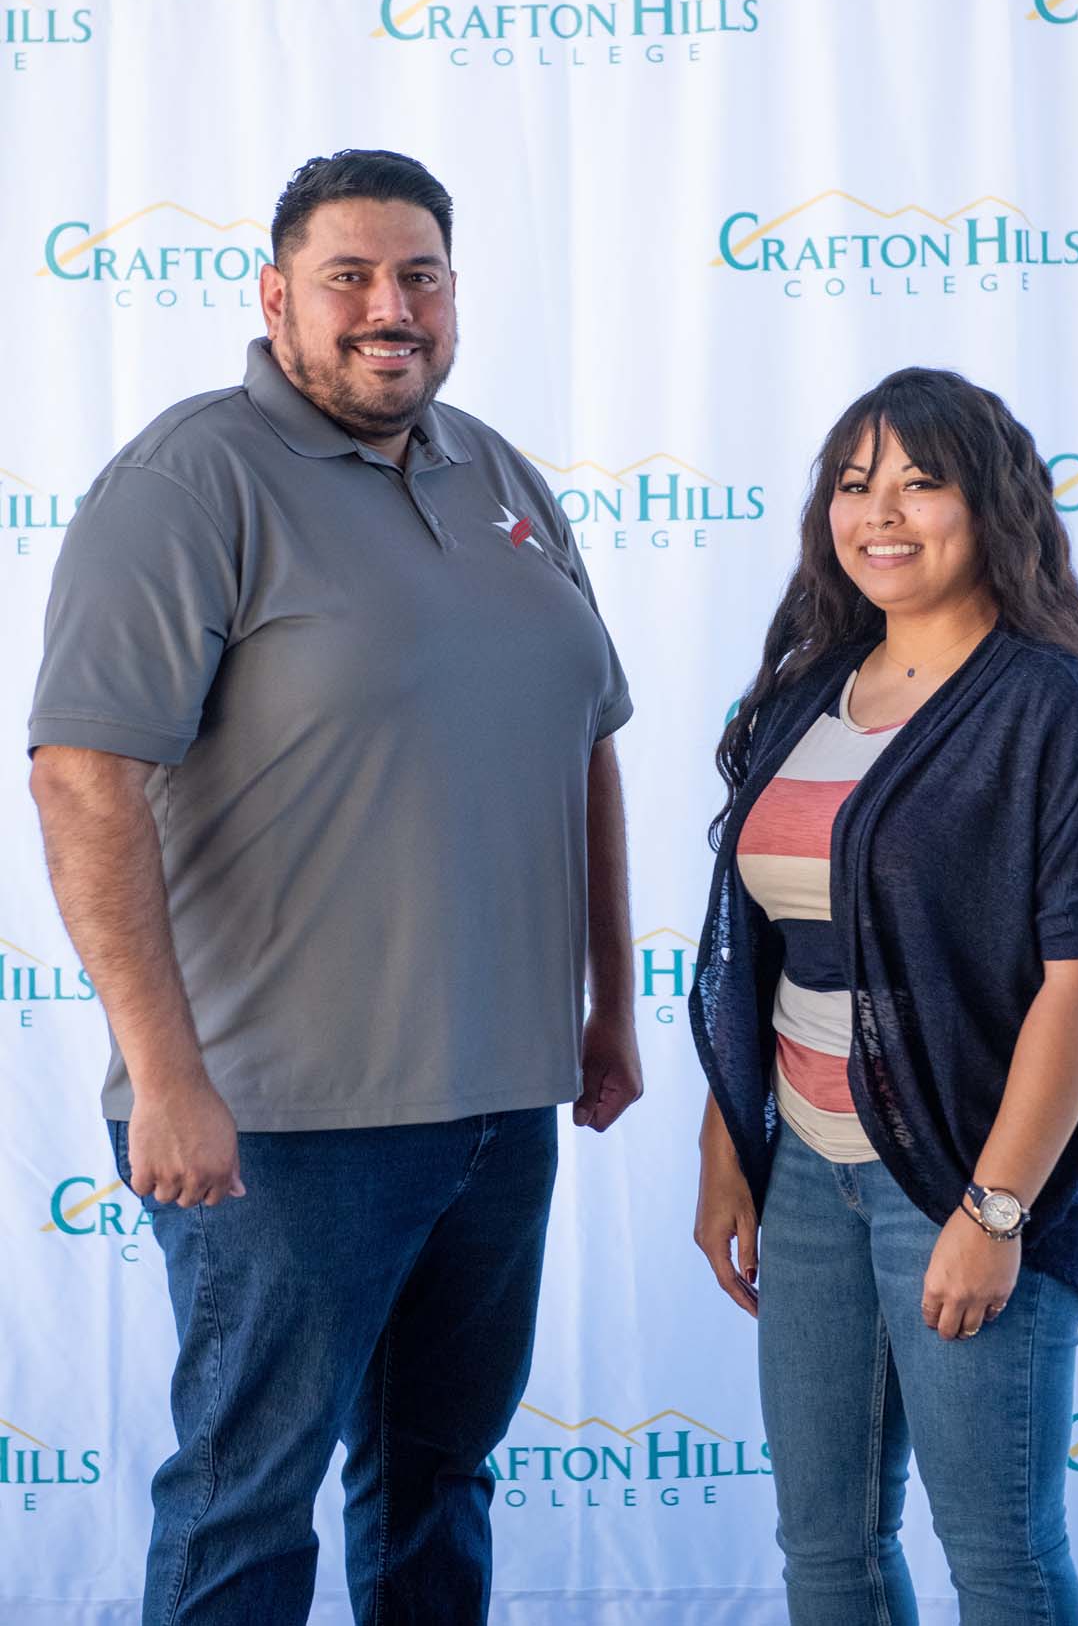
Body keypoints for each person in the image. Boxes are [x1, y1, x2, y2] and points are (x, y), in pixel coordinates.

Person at [28, 148, 642, 1625]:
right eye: (349, 278)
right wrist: (165, 1075)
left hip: (499, 1104)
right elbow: (81, 777)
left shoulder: (499, 473)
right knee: (248, 1497)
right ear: (276, 298)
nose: (390, 308)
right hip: (281, 1124)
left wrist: (611, 1011)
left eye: (419, 275)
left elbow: (589, 744)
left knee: (439, 1479)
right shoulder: (190, 479)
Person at [689, 367, 1078, 1626]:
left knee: (998, 1551)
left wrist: (994, 1210)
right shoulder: (807, 694)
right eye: (856, 484)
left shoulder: (1050, 703)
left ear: (992, 505)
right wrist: (727, 1145)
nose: (881, 511)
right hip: (800, 1170)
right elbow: (760, 948)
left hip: (964, 1175)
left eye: (920, 479)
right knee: (826, 1547)